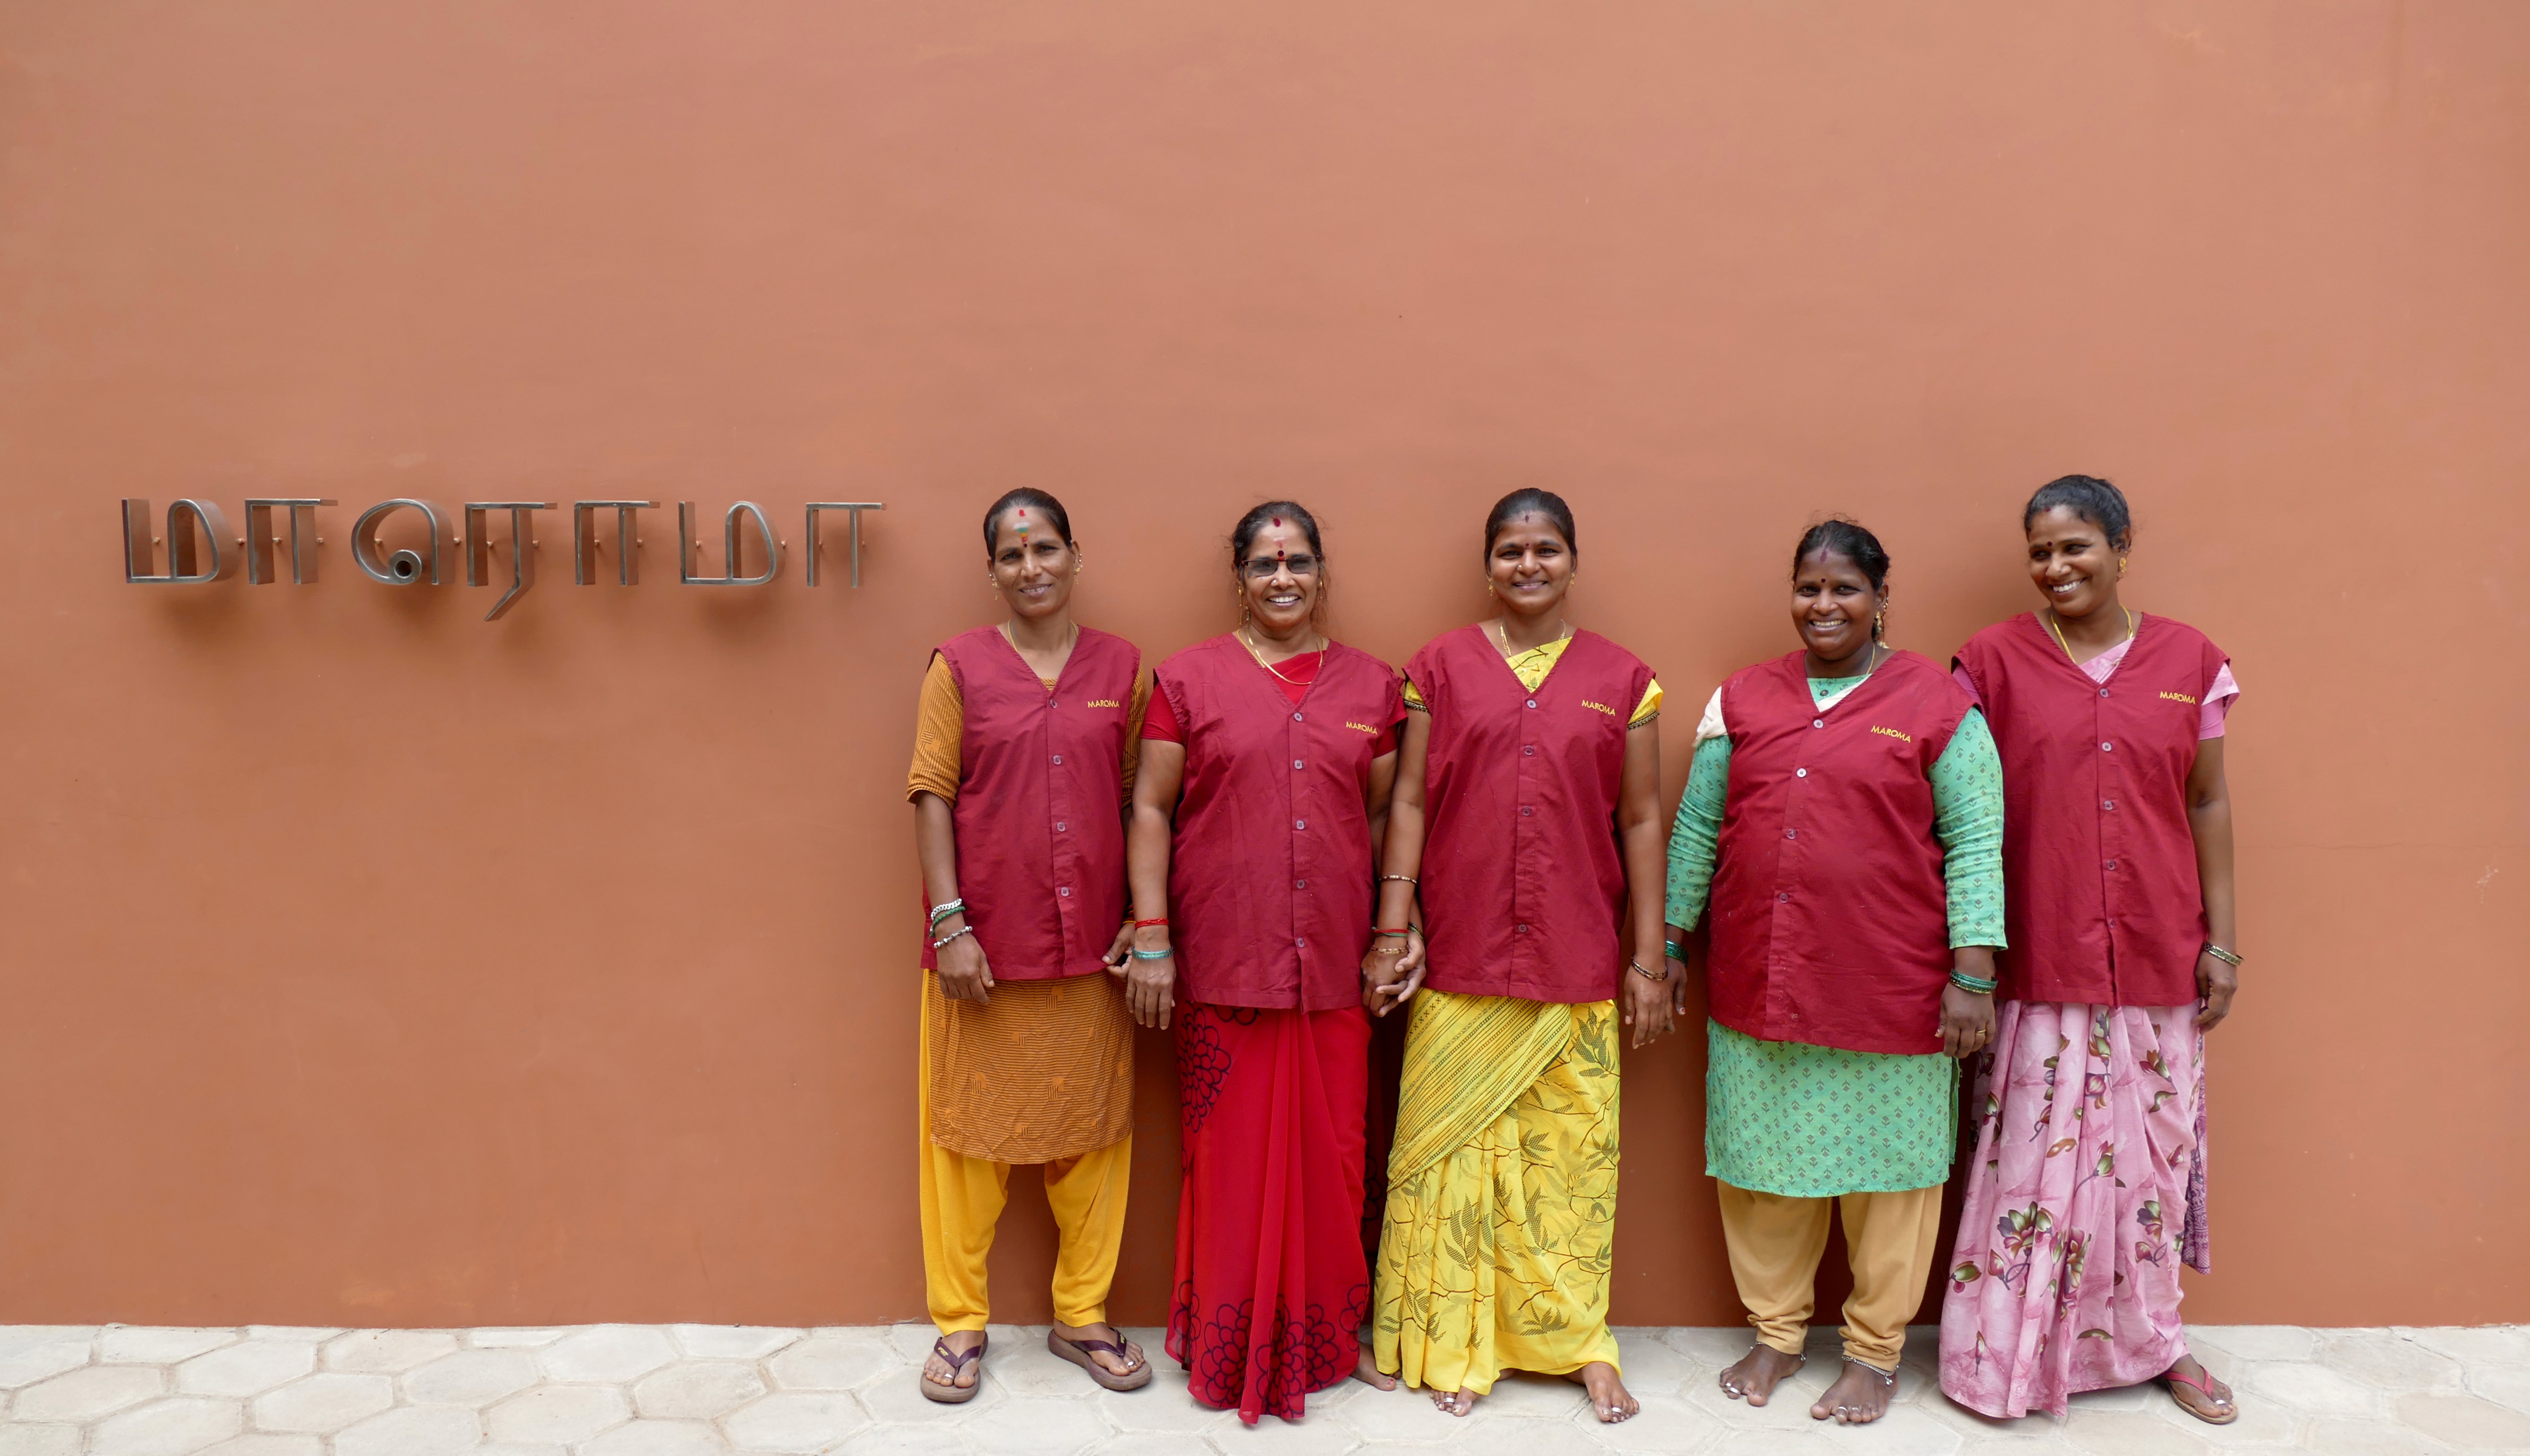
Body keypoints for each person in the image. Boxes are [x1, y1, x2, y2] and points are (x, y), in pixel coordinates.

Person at [1665, 518, 2004, 1426]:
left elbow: (1975, 837)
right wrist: (1667, 940)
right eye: (1809, 589)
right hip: (1761, 979)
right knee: (1764, 1172)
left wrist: (1973, 972)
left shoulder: (1937, 705)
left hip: (1890, 987)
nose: (1825, 606)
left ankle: (1875, 1354)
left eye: (1845, 589)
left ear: (1882, 599)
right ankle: (1777, 1334)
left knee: (1894, 1182)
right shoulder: (1741, 699)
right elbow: (1699, 827)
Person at [1939, 476, 2242, 1425]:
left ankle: (2157, 1343)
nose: (2056, 565)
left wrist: (2224, 941)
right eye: (2041, 550)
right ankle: (2011, 1350)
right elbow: (1961, 814)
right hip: (2041, 958)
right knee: (2030, 1167)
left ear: (2119, 547)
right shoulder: (1989, 664)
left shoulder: (2189, 658)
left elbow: (2207, 801)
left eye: (2076, 546)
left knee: (2146, 1170)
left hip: (2157, 953)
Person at [1365, 488, 1669, 1424]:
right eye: (1509, 550)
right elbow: (1408, 801)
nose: (1527, 565)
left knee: (1571, 1169)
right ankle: (1453, 1337)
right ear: (1488, 564)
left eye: (1544, 549)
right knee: (1448, 1157)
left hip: (1575, 957)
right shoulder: (1438, 670)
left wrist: (1649, 958)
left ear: (1574, 560)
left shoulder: (1626, 682)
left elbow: (1642, 816)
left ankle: (1580, 1343)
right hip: (1459, 952)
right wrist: (1391, 923)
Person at [1125, 502, 1408, 1425]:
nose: (1281, 579)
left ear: (1322, 572)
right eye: (1262, 564)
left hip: (1331, 965)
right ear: (1240, 577)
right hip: (1224, 967)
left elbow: (1376, 818)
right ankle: (1230, 1339)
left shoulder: (1373, 688)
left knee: (1333, 1157)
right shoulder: (1187, 681)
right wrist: (1154, 933)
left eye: (1296, 562)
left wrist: (1390, 931)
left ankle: (1329, 1336)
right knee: (1233, 1163)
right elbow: (1152, 809)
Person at [905, 489, 1152, 1402]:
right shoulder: (958, 666)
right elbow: (931, 792)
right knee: (965, 1142)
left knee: (1094, 1138)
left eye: (1046, 548)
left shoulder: (1123, 668)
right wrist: (951, 923)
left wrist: (1142, 916)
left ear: (1075, 555)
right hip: (983, 955)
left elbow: (1141, 802)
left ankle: (1081, 1315)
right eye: (1012, 556)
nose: (1032, 568)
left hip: (1092, 949)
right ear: (993, 572)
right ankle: (959, 1326)